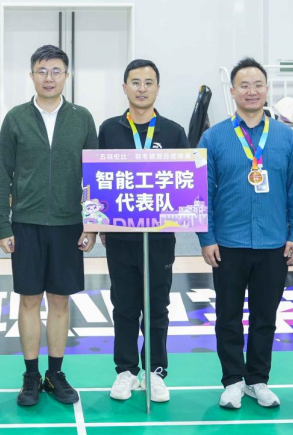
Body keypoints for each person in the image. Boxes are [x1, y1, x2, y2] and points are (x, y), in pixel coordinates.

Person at [197, 57, 293, 410]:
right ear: (232, 92)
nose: (252, 91)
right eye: (244, 85)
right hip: (228, 244)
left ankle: (258, 379)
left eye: (258, 84)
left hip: (274, 244)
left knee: (265, 317)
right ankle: (232, 380)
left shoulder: (285, 136)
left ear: (267, 89)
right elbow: (202, 192)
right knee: (228, 316)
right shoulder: (213, 137)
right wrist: (207, 238)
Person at [0, 45, 98, 407]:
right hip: (26, 224)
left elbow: (94, 175)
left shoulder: (82, 118)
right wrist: (3, 226)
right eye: (42, 71)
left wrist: (92, 224)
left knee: (59, 301)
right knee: (28, 300)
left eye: (56, 71)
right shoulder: (16, 118)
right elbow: (2, 175)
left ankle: (55, 373)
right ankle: (31, 375)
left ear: (67, 75)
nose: (49, 78)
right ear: (31, 75)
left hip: (69, 225)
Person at [97, 59, 188, 403]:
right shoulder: (109, 129)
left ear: (157, 89)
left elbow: (186, 183)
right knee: (123, 305)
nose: (142, 88)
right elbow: (96, 180)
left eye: (148, 82)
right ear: (124, 87)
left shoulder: (174, 132)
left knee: (157, 306)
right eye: (135, 82)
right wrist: (98, 221)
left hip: (160, 238)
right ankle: (125, 370)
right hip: (120, 237)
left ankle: (155, 370)